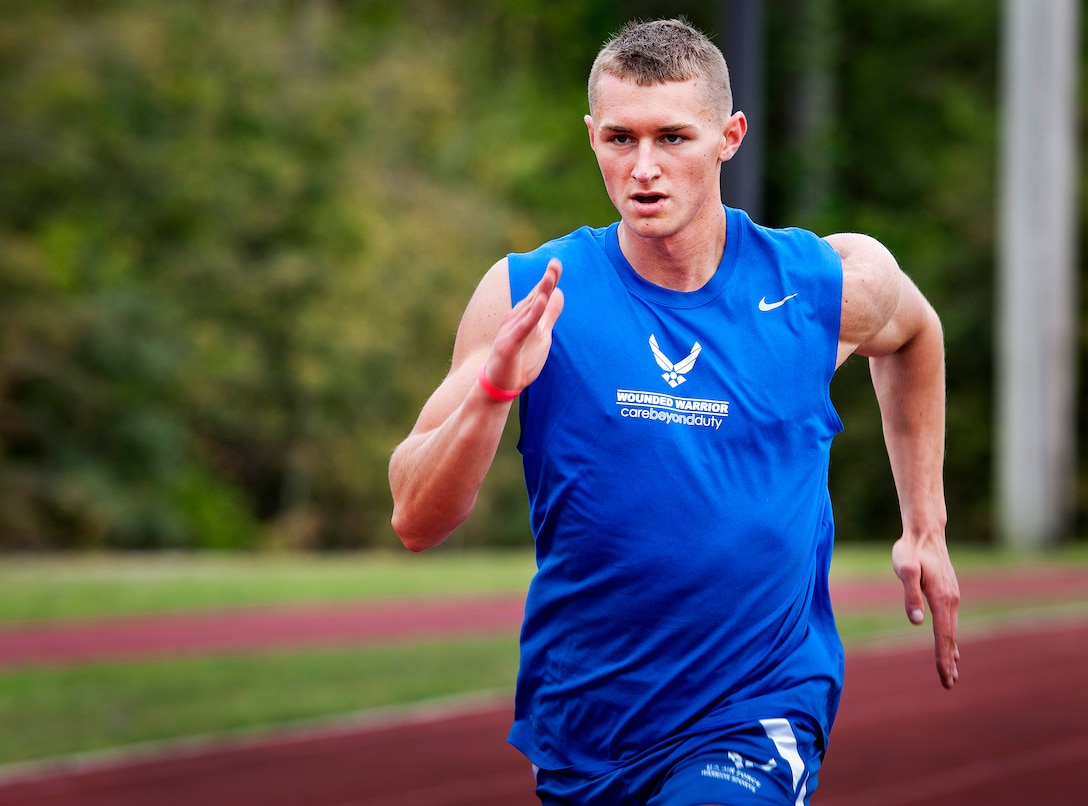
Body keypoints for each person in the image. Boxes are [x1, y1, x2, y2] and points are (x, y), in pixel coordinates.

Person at [389, 17, 960, 805]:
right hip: (588, 725)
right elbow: (416, 519)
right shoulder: (532, 295)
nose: (645, 168)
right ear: (591, 136)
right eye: (620, 139)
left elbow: (916, 333)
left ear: (730, 137)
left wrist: (923, 525)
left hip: (755, 710)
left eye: (673, 138)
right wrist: (492, 395)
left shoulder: (816, 287)